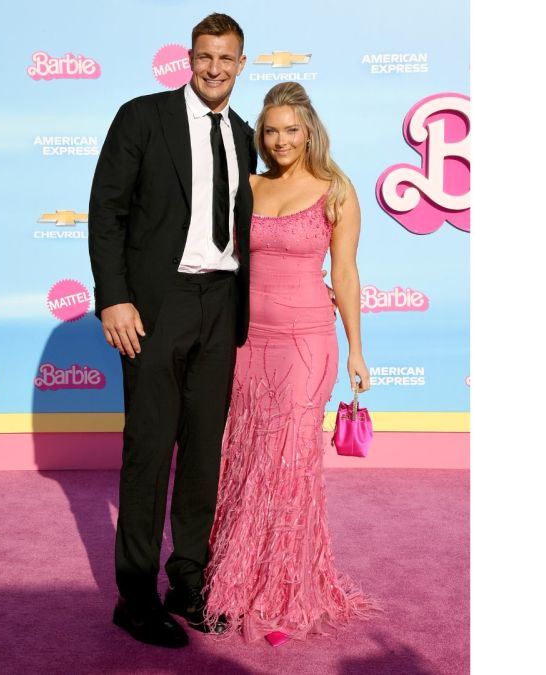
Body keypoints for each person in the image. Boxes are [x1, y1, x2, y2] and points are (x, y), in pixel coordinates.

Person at [87, 13, 256, 648]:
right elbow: (107, 211)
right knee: (150, 451)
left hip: (221, 304)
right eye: (205, 56)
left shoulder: (242, 136)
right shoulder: (143, 116)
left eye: (227, 58)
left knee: (203, 455)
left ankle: (189, 584)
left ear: (242, 64)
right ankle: (135, 596)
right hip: (156, 309)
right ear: (189, 57)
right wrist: (115, 299)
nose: (215, 68)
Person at [201, 81, 378, 645]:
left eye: (291, 130)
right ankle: (236, 583)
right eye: (271, 130)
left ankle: (283, 588)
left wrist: (356, 347)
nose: (280, 140)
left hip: (306, 343)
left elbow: (345, 274)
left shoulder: (336, 190)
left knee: (287, 463)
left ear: (310, 132)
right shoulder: (246, 187)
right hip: (246, 342)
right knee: (244, 459)